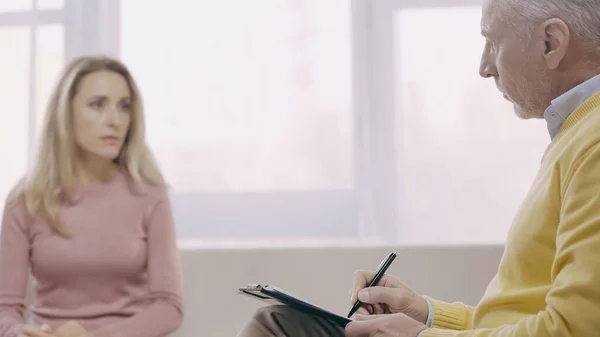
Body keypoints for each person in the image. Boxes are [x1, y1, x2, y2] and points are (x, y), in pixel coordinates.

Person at [236, 0, 600, 336]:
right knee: (281, 322)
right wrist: (425, 314)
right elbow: (519, 319)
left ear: (551, 42)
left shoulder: (593, 144)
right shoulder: (575, 135)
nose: (484, 67)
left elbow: (574, 330)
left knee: (278, 327)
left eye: (493, 43)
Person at [0, 55, 183, 337]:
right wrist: (19, 333)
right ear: (65, 113)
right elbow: (5, 309)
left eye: (124, 107)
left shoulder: (150, 194)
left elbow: (169, 307)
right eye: (98, 105)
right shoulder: (26, 199)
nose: (115, 120)